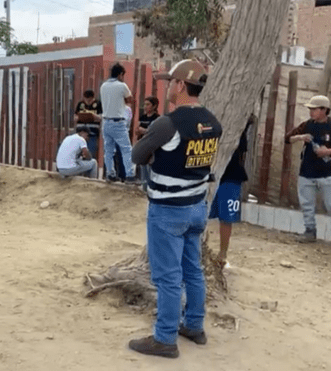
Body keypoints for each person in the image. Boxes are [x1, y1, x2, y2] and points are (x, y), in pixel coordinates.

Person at [130, 60, 222, 358]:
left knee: (168, 276)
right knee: (192, 270)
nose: (167, 86)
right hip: (197, 207)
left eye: (170, 81)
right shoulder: (213, 123)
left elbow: (137, 154)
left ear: (181, 85)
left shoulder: (166, 123)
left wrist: (158, 159)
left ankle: (165, 338)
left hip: (168, 210)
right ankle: (194, 325)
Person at [285, 95, 331, 243]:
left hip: (327, 173)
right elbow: (287, 138)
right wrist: (300, 137)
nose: (311, 112)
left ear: (324, 110)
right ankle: (310, 231)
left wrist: (327, 152)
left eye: (314, 109)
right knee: (307, 204)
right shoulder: (307, 125)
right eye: (310, 109)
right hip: (307, 172)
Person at [210, 119, 252, 266]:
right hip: (211, 173)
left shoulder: (240, 128)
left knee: (227, 217)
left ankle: (223, 254)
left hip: (232, 176)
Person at [100, 62, 136, 183]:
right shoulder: (122, 86)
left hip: (105, 122)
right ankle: (130, 175)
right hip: (118, 122)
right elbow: (130, 99)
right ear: (120, 74)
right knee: (126, 149)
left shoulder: (103, 86)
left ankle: (110, 174)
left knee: (109, 150)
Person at [137, 97, 161, 189]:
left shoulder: (157, 118)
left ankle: (151, 187)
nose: (145, 107)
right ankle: (144, 187)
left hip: (152, 147)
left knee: (150, 168)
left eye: (148, 104)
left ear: (154, 106)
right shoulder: (142, 117)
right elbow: (137, 130)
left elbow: (157, 133)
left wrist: (145, 131)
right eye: (144, 105)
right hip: (143, 145)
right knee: (143, 167)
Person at [73, 90, 103, 158]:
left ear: (93, 98)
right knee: (78, 151)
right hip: (80, 131)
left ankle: (90, 164)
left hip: (92, 132)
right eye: (86, 100)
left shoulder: (98, 104)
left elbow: (102, 117)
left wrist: (94, 116)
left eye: (89, 100)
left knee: (91, 151)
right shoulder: (81, 104)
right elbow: (75, 116)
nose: (87, 102)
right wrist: (78, 117)